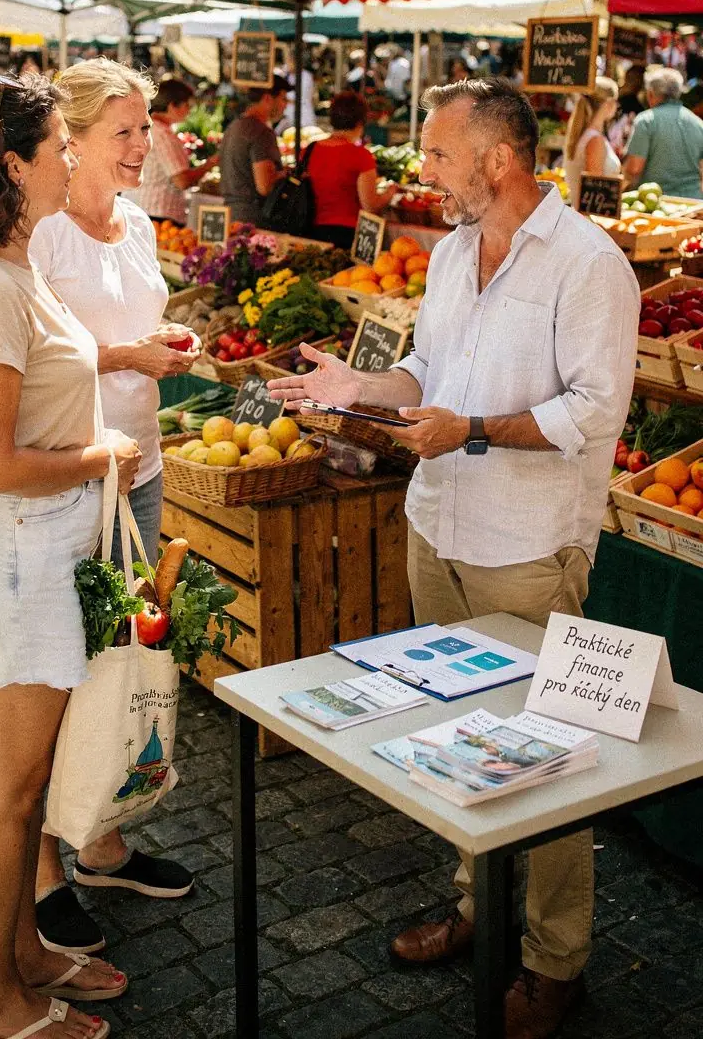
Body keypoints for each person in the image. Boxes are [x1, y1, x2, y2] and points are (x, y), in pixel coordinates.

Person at [268, 77, 639, 1039]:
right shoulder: (450, 254)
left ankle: (555, 960)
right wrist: (360, 386)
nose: (422, 170)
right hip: (439, 527)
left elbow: (594, 409)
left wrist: (468, 430)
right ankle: (479, 903)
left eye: (437, 154)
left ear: (498, 159)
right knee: (462, 729)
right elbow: (427, 372)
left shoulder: (588, 263)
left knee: (552, 753)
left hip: (529, 544)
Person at [0, 75, 142, 1039]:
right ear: (12, 165)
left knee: (25, 782)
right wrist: (104, 454)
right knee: (5, 793)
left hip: (32, 546)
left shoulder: (13, 266)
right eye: (60, 144)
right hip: (8, 547)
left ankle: (26, 955)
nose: (74, 155)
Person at [28, 58, 199, 954]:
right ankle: (41, 871)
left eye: (146, 128)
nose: (143, 145)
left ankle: (99, 841)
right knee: (55, 671)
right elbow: (30, 359)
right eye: (124, 132)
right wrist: (130, 356)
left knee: (118, 661)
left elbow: (128, 326)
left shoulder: (136, 223)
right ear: (76, 137)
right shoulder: (42, 232)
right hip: (69, 473)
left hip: (142, 469)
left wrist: (160, 341)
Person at [305, 92, 398, 248]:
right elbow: (370, 205)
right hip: (348, 236)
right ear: (360, 122)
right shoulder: (360, 156)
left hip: (309, 232)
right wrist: (390, 192)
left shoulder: (309, 150)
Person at [129, 76, 218, 224]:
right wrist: (210, 164)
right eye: (187, 105)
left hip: (137, 207)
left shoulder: (143, 128)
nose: (189, 110)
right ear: (172, 106)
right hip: (158, 214)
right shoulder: (162, 135)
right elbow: (181, 180)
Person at [624, 66, 703, 199]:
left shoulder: (646, 120)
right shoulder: (698, 123)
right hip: (693, 202)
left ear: (650, 94)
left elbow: (634, 169)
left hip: (656, 202)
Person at [219, 74, 289, 224]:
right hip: (254, 220)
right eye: (283, 99)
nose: (286, 105)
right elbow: (264, 186)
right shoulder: (261, 132)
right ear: (267, 99)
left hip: (231, 215)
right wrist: (286, 174)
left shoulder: (234, 126)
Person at [562, 77, 621, 207]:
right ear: (609, 103)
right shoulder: (595, 140)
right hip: (588, 217)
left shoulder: (584, 135)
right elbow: (594, 195)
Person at [278, 59, 317, 133]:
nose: (287, 65)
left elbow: (299, 97)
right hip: (289, 118)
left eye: (289, 63)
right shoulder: (289, 75)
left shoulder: (306, 76)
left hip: (304, 118)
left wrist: (281, 97)